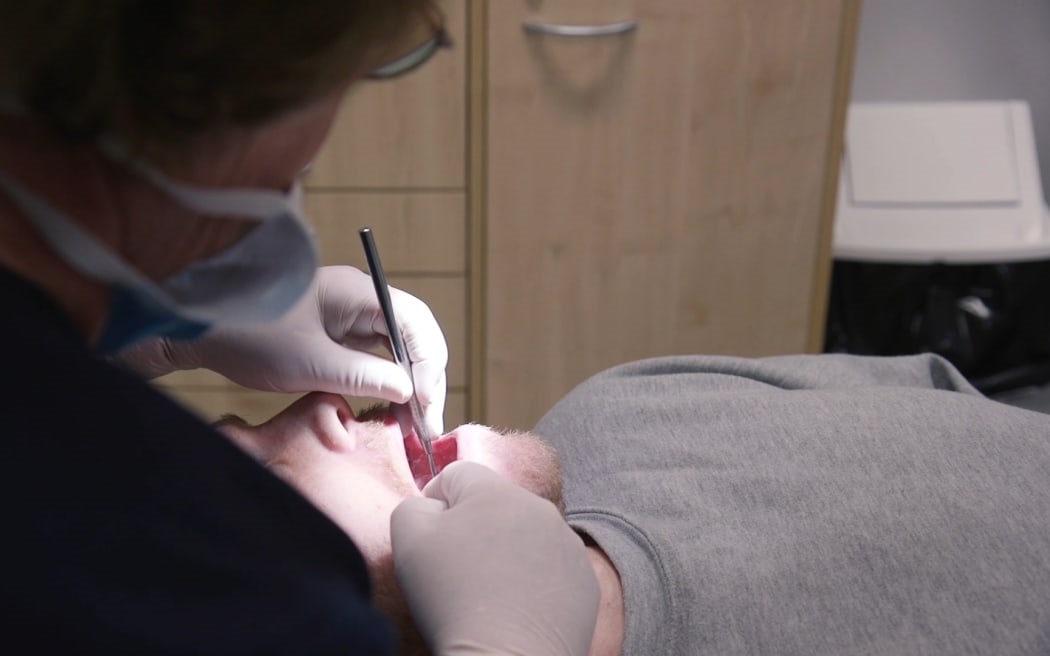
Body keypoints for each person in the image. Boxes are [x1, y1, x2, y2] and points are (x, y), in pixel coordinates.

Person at [0, 2, 598, 653]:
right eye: (265, 487)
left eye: (238, 434)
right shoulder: (233, 607)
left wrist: (156, 338)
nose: (325, 406)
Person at [219, 352, 1050, 655]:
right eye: (259, 481)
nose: (314, 404)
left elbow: (944, 395)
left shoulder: (615, 407)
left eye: (245, 420)